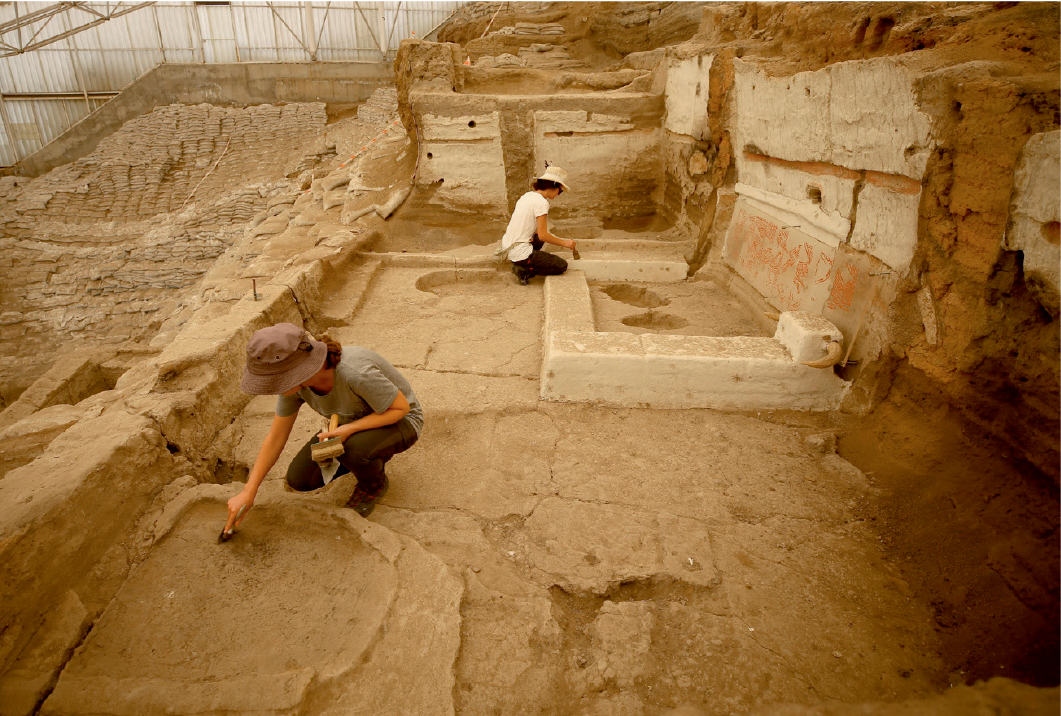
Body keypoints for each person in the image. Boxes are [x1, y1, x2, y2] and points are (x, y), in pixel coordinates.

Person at [225, 322, 422, 531]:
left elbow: (400, 409)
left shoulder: (354, 371)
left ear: (296, 371)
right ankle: (368, 453)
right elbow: (276, 436)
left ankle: (373, 484)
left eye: (274, 380)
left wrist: (349, 430)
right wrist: (250, 490)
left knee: (354, 451)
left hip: (401, 420)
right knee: (300, 479)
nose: (272, 388)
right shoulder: (295, 387)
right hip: (348, 423)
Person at [499, 166, 577, 285]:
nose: (558, 194)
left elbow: (536, 232)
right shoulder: (542, 203)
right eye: (559, 191)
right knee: (561, 266)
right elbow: (543, 235)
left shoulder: (527, 196)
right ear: (552, 187)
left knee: (539, 240)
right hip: (519, 251)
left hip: (508, 246)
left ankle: (521, 262)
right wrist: (565, 243)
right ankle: (524, 269)